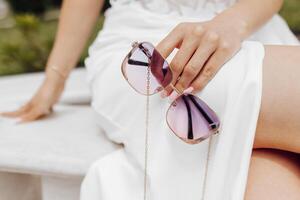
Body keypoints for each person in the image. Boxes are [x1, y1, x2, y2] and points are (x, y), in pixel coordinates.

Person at [1, 0, 299, 199]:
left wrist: (231, 24)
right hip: (149, 50)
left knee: (267, 168)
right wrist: (54, 79)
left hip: (255, 32)